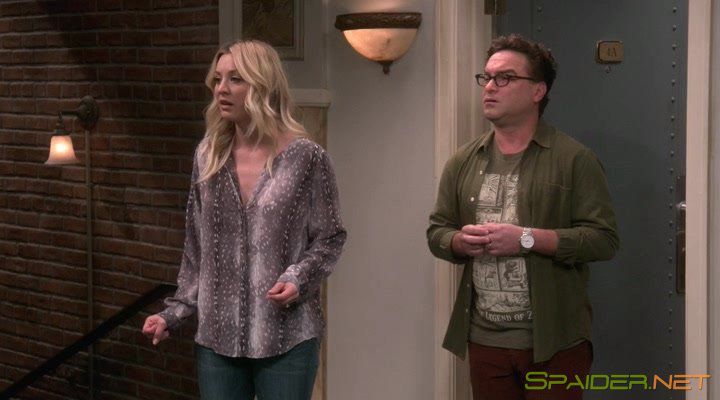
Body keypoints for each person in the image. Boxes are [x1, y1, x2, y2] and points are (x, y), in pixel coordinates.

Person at [142, 39, 346, 400]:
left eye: (235, 79)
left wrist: (298, 278)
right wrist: (175, 313)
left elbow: (330, 237)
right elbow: (196, 249)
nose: (221, 89)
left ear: (263, 86)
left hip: (286, 338)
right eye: (217, 79)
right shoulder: (208, 155)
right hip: (217, 341)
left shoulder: (307, 158)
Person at [427, 34, 619, 400]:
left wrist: (526, 239)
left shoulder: (574, 159)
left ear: (537, 91)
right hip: (485, 341)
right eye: (487, 77)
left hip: (554, 342)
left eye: (505, 78)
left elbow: (603, 240)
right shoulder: (463, 161)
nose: (490, 87)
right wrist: (459, 242)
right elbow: (437, 231)